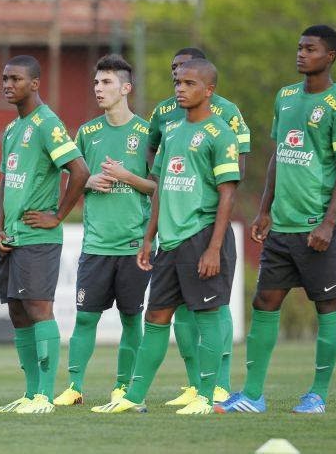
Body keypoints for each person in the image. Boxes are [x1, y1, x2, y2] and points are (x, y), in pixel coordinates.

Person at [216, 25, 336, 415]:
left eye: (310, 49)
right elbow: (279, 155)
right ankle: (252, 394)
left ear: (330, 56)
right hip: (283, 225)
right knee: (265, 301)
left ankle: (317, 395)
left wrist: (328, 223)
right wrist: (265, 209)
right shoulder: (285, 97)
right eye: (299, 47)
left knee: (326, 304)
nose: (301, 54)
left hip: (320, 226)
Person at [93, 58, 240, 415]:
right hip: (170, 243)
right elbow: (160, 187)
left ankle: (206, 397)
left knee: (207, 317)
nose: (180, 89)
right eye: (177, 83)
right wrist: (149, 237)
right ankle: (133, 397)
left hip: (202, 237)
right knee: (156, 318)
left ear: (209, 90)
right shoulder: (171, 131)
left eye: (189, 84)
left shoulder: (221, 133)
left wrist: (214, 248)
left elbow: (228, 193)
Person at [147, 47, 251, 406]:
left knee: (212, 308)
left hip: (202, 227)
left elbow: (233, 175)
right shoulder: (166, 116)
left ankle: (218, 385)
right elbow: (155, 160)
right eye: (175, 74)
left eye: (187, 76)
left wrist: (212, 235)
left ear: (207, 85)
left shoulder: (225, 118)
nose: (178, 82)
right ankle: (194, 384)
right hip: (171, 231)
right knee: (174, 312)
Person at [53, 54, 154, 407]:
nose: (98, 88)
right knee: (85, 318)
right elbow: (71, 176)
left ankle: (123, 387)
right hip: (96, 244)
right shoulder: (87, 132)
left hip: (133, 245)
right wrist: (89, 180)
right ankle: (74, 387)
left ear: (126, 88)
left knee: (131, 319)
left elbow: (158, 187)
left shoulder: (147, 133)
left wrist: (127, 176)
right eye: (96, 82)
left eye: (107, 82)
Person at [0, 55, 90, 414]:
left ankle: (45, 397)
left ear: (34, 84)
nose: (7, 85)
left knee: (38, 308)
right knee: (18, 312)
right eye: (5, 78)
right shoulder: (11, 129)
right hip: (13, 237)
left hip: (38, 237)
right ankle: (31, 393)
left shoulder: (48, 123)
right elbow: (5, 181)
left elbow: (79, 170)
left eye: (15, 79)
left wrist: (58, 216)